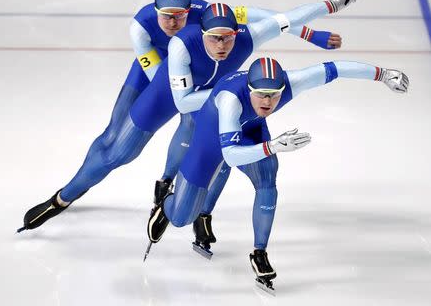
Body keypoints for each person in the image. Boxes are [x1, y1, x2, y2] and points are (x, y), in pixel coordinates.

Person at [18, 0, 360, 232]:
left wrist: (318, 24)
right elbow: (164, 82)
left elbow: (270, 18)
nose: (173, 23)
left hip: (200, 82)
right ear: (156, 12)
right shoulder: (148, 28)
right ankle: (62, 198)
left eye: (180, 16)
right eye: (167, 16)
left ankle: (174, 191)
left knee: (213, 135)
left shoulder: (211, 17)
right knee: (118, 148)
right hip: (160, 76)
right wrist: (204, 92)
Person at [147, 56, 409, 290]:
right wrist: (272, 146)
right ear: (249, 89)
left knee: (267, 178)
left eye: (274, 95)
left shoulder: (291, 83)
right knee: (183, 215)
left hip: (249, 130)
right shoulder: (230, 101)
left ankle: (259, 252)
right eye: (261, 94)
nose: (268, 102)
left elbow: (335, 68)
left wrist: (384, 74)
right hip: (210, 140)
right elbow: (229, 154)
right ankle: (169, 206)